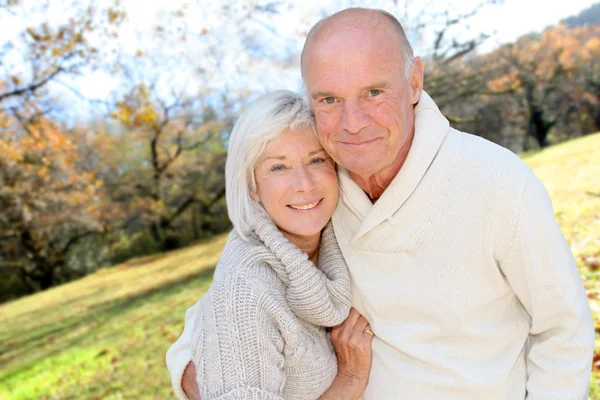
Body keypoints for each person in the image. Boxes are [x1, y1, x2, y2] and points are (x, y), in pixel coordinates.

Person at [168, 7, 595, 399]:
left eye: (374, 92)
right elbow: (223, 309)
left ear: (414, 82)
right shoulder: (316, 191)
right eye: (330, 100)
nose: (353, 124)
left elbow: (563, 332)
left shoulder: (497, 181)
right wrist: (205, 375)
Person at [167, 90, 374, 400]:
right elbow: (233, 306)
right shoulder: (246, 289)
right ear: (251, 186)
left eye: (316, 160)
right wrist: (349, 380)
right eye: (279, 167)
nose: (304, 183)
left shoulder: (342, 236)